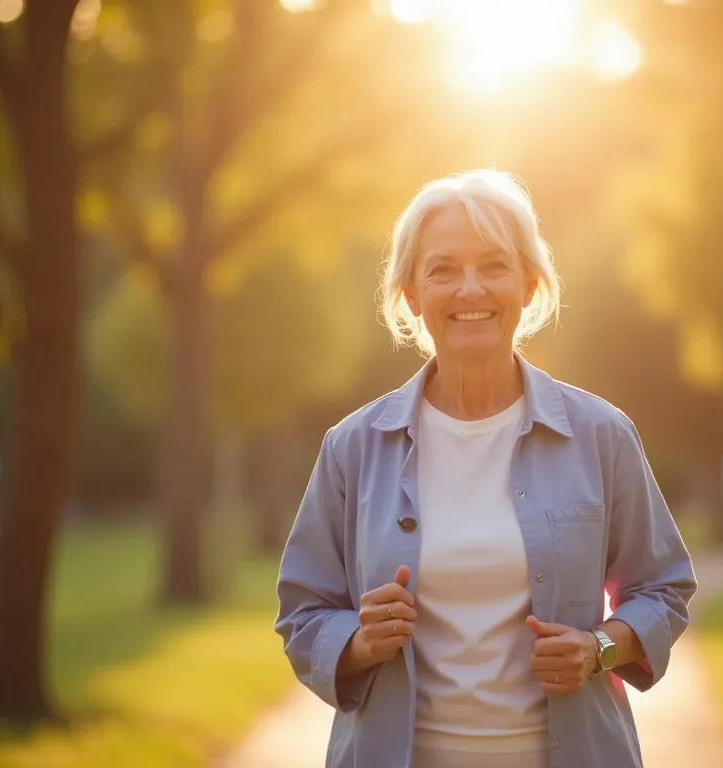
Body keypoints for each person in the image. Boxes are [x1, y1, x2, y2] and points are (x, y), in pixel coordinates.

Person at [275, 169, 697, 768]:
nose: (469, 288)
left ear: (528, 285)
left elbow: (664, 588)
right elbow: (302, 613)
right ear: (413, 295)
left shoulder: (601, 434)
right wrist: (360, 642)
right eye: (443, 269)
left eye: (493, 265)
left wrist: (599, 646)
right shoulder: (352, 446)